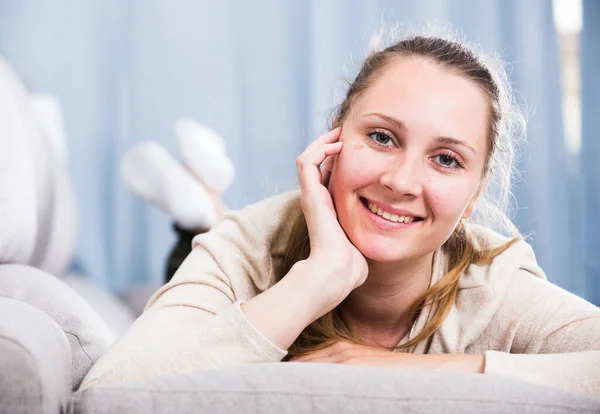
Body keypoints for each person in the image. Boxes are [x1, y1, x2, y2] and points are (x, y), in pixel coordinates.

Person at [80, 29, 600, 398]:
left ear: (476, 192)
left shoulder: (495, 283)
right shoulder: (247, 245)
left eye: (446, 159)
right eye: (381, 137)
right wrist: (320, 277)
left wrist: (412, 371)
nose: (400, 181)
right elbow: (107, 394)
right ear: (334, 137)